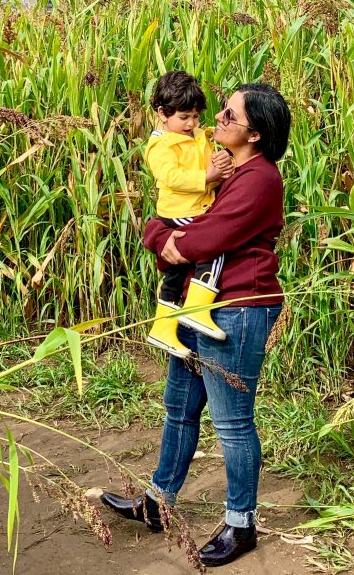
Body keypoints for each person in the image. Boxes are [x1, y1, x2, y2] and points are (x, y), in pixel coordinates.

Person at [102, 83, 292, 568]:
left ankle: (241, 523)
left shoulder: (259, 178)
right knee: (179, 410)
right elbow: (171, 217)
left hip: (238, 309)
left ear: (255, 132)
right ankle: (157, 503)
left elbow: (208, 234)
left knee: (232, 423)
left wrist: (168, 241)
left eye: (229, 114)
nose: (217, 119)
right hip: (198, 304)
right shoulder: (226, 169)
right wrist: (159, 233)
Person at [143, 71, 234, 358]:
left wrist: (220, 163)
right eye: (184, 117)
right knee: (214, 246)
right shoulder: (161, 145)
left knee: (176, 272)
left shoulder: (196, 136)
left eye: (195, 116)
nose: (191, 123)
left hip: (195, 208)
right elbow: (171, 177)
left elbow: (211, 163)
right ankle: (197, 309)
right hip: (182, 212)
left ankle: (163, 328)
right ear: (162, 113)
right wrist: (207, 176)